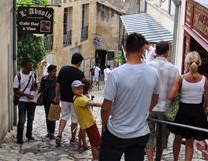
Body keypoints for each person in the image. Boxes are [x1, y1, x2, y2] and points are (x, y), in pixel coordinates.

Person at [100, 33, 159, 161]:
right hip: (140, 133)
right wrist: (142, 112)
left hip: (116, 132)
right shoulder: (153, 73)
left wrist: (104, 125)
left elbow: (105, 108)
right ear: (143, 49)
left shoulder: (115, 74)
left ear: (125, 48)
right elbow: (155, 100)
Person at [168, 51, 208, 161]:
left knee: (177, 138)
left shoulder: (181, 78)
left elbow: (171, 96)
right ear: (199, 63)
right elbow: (207, 99)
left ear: (187, 63)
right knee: (190, 141)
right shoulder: (205, 80)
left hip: (182, 111)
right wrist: (204, 108)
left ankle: (176, 159)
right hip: (196, 112)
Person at [146, 41, 179, 161]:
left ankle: (150, 159)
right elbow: (175, 91)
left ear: (156, 52)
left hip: (149, 107)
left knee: (149, 135)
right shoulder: (174, 69)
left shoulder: (147, 66)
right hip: (165, 108)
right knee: (162, 137)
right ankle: (157, 159)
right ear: (167, 52)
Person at [54, 53, 85, 146]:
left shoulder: (63, 69)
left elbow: (57, 84)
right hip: (75, 100)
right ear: (79, 62)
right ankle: (72, 138)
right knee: (74, 119)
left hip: (64, 98)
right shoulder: (80, 74)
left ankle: (59, 135)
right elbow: (82, 89)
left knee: (63, 117)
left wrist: (57, 96)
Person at [72, 80, 102, 161]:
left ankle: (95, 157)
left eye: (81, 87)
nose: (80, 89)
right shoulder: (79, 99)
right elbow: (93, 104)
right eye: (77, 88)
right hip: (89, 124)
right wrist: (105, 105)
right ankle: (96, 158)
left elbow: (88, 101)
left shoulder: (78, 97)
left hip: (86, 123)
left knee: (94, 141)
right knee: (95, 142)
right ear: (73, 90)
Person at [13, 59, 38, 144]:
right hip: (22, 101)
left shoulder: (33, 74)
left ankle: (29, 135)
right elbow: (15, 90)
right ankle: (19, 138)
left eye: (31, 65)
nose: (31, 67)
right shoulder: (18, 76)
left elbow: (35, 86)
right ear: (24, 66)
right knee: (22, 119)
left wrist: (34, 92)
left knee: (31, 119)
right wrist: (27, 95)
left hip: (31, 101)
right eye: (29, 65)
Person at [39, 64, 57, 139]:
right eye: (53, 71)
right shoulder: (44, 79)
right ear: (49, 72)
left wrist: (57, 97)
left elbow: (59, 90)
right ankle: (49, 132)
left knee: (53, 117)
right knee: (47, 116)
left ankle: (52, 132)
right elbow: (41, 88)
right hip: (46, 100)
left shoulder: (57, 79)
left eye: (55, 71)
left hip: (54, 100)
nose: (55, 72)